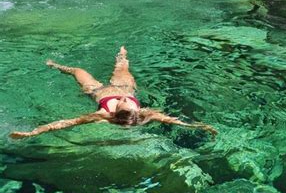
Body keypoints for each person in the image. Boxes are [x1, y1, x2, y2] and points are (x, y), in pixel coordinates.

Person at [10, 46, 217, 139]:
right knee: (123, 68)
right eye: (128, 102)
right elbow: (175, 120)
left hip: (97, 90)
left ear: (114, 112)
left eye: (122, 102)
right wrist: (201, 126)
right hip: (125, 84)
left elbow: (66, 123)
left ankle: (55, 65)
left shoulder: (102, 115)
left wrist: (32, 133)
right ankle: (122, 54)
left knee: (78, 71)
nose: (124, 100)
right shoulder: (143, 112)